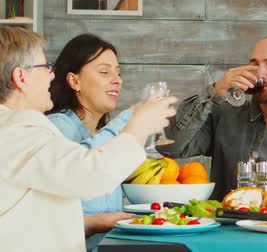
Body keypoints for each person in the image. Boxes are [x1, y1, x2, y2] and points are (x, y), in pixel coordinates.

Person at [0, 26, 177, 252]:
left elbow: (34, 212)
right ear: (21, 77)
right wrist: (137, 126)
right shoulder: (18, 131)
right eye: (45, 67)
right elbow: (90, 176)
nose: (52, 75)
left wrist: (94, 223)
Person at [158, 35, 267, 199]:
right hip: (233, 229)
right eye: (254, 65)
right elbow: (170, 147)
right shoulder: (223, 115)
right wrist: (215, 92)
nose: (260, 73)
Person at [46, 34, 135, 251]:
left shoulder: (100, 132)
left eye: (118, 72)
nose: (117, 79)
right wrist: (131, 123)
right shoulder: (58, 128)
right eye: (105, 72)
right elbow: (47, 221)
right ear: (74, 81)